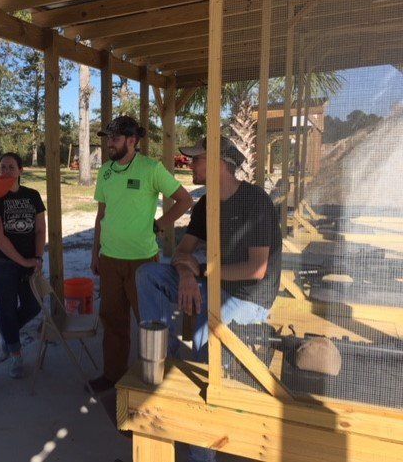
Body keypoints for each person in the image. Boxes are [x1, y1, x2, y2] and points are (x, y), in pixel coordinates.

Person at [136, 134, 282, 462]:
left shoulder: (254, 201)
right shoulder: (205, 202)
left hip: (248, 300)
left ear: (219, 163)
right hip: (212, 286)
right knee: (148, 275)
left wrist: (199, 272)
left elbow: (255, 269)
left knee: (204, 378)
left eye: (197, 159)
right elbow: (182, 251)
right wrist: (187, 275)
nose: (190, 164)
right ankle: (166, 357)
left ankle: (202, 454)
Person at [89, 115, 192, 393]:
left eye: (116, 138)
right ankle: (112, 376)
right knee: (113, 321)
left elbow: (185, 200)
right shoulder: (106, 171)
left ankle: (155, 380)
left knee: (150, 324)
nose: (110, 143)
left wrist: (159, 225)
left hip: (142, 263)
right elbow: (101, 214)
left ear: (133, 141)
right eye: (109, 138)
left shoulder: (151, 168)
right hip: (110, 259)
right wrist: (95, 252)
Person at [0, 152, 45, 379]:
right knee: (6, 308)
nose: (6, 171)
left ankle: (7, 332)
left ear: (21, 170)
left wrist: (37, 258)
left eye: (11, 167)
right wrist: (24, 261)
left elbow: (40, 229)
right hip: (0, 263)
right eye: (3, 167)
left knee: (33, 306)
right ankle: (16, 355)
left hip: (28, 261)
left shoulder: (32, 195)